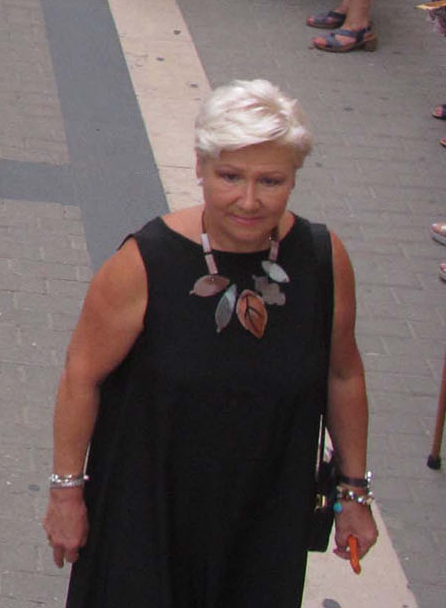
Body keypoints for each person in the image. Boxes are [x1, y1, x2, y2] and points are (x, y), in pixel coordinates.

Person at [44, 80, 377, 602]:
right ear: (199, 168)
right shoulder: (145, 262)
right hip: (147, 515)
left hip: (265, 515)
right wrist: (67, 493)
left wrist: (353, 492)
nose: (248, 200)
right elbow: (81, 375)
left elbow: (344, 372)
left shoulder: (322, 259)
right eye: (229, 176)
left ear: (294, 178)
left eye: (271, 180)